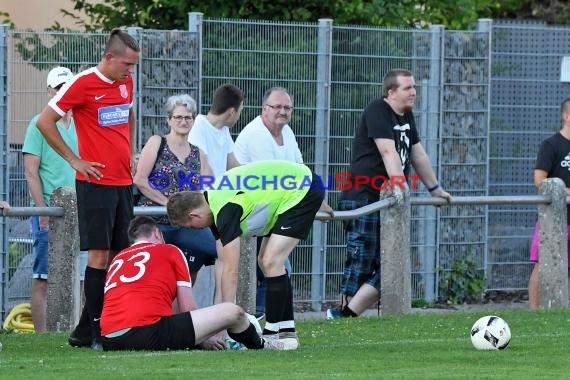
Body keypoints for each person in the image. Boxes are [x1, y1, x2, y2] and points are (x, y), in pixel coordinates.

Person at [36, 28, 140, 349]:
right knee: (97, 256)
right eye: (126, 64)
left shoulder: (126, 83)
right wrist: (74, 160)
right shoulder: (81, 84)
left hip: (123, 182)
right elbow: (45, 122)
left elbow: (129, 112)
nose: (130, 71)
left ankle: (83, 330)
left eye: (133, 65)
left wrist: (132, 151)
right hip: (95, 184)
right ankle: (98, 332)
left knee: (120, 255)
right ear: (109, 57)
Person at [167, 160, 334, 350]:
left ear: (193, 215)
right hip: (294, 190)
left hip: (302, 189)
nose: (195, 230)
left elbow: (231, 270)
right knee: (265, 262)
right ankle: (287, 333)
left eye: (190, 227)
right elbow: (223, 262)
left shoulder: (224, 209)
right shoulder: (212, 199)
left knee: (271, 261)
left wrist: (226, 318)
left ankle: (273, 333)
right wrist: (222, 316)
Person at [326, 68, 451, 319]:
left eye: (414, 87)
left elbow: (417, 153)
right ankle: (344, 316)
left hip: (390, 200)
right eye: (408, 88)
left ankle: (344, 316)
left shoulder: (406, 115)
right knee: (361, 261)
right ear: (391, 92)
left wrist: (435, 189)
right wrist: (399, 186)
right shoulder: (377, 110)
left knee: (393, 263)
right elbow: (387, 152)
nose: (414, 92)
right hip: (363, 197)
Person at [100, 216, 284, 351]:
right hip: (147, 332)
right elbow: (187, 307)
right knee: (233, 312)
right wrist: (202, 338)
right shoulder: (169, 250)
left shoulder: (118, 259)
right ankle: (262, 345)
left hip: (109, 338)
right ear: (157, 233)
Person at [22, 66, 87, 332]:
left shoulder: (83, 124)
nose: (64, 92)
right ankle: (42, 336)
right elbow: (30, 170)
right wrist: (42, 211)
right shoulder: (39, 123)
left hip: (82, 209)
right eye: (60, 88)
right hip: (52, 211)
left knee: (83, 278)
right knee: (44, 278)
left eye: (68, 87)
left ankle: (80, 331)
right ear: (50, 91)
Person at [133, 94, 217, 286]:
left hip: (187, 223)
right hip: (156, 220)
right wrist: (169, 203)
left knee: (221, 248)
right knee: (151, 271)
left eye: (188, 117)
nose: (183, 121)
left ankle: (195, 310)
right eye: (178, 117)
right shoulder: (157, 143)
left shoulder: (199, 154)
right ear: (168, 119)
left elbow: (211, 187)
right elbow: (140, 179)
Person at [527, 98, 570, 309]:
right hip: (553, 220)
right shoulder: (551, 145)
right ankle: (535, 314)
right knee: (542, 265)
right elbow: (539, 181)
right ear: (566, 116)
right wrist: (566, 192)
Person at [188, 83, 244, 177]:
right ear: (232, 112)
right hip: (205, 191)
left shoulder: (223, 129)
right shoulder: (198, 127)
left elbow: (233, 165)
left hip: (218, 189)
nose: (239, 116)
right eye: (240, 111)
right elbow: (203, 170)